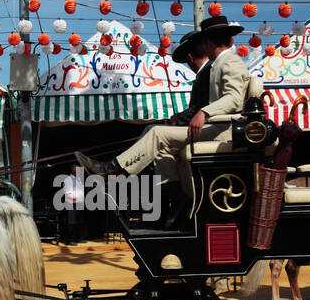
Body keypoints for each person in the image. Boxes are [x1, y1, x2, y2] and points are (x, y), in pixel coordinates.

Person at [75, 14, 254, 199]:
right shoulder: (218, 64)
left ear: (208, 42)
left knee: (156, 133)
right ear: (230, 40)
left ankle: (110, 169)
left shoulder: (230, 62)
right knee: (163, 149)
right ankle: (176, 198)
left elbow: (234, 98)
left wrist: (204, 112)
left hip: (223, 131)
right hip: (215, 127)